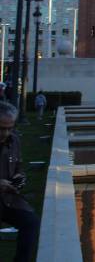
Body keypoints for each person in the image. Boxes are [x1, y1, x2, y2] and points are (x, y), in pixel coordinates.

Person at [0, 102, 39, 262]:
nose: (5, 133)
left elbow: (18, 168)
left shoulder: (14, 140)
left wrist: (19, 179)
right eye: (1, 128)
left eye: (9, 128)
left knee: (31, 222)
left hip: (8, 200)